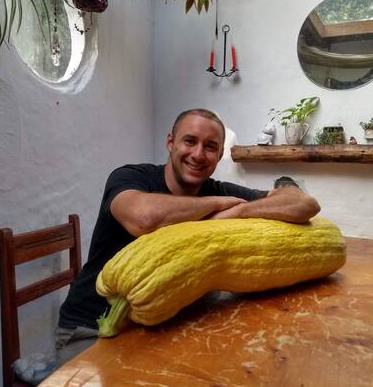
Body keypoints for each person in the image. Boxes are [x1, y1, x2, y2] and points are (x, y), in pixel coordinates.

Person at [55, 108, 320, 364]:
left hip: (161, 326)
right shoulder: (130, 176)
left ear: (219, 157)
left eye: (210, 147)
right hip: (91, 328)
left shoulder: (221, 191)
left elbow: (304, 204)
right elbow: (144, 218)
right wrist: (216, 205)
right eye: (189, 141)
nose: (198, 154)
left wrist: (241, 211)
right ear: (171, 143)